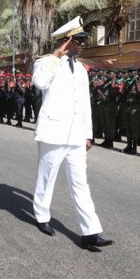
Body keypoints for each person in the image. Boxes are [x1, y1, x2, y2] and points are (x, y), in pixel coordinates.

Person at [31, 16, 114, 252]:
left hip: (76, 136)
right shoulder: (46, 62)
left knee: (81, 183)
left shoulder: (80, 68)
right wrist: (57, 55)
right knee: (47, 179)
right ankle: (42, 216)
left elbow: (84, 104)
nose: (83, 44)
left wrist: (88, 134)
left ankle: (90, 233)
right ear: (66, 42)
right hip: (53, 133)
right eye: (79, 40)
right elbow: (39, 82)